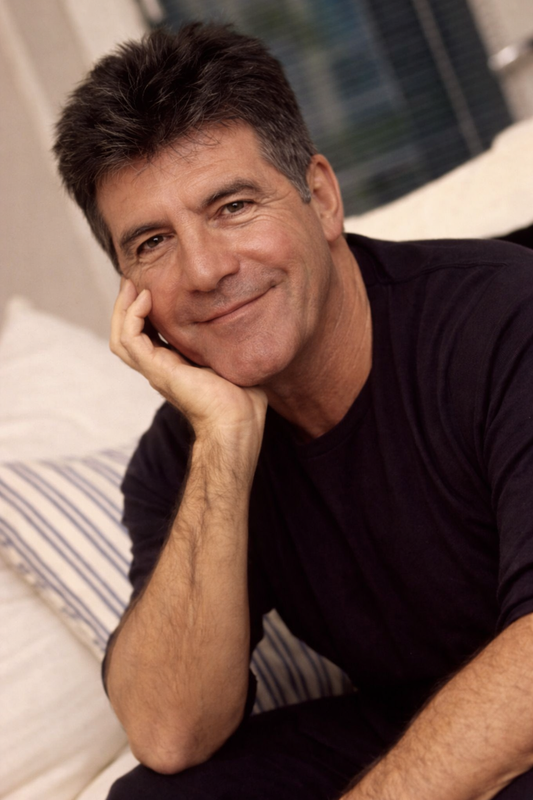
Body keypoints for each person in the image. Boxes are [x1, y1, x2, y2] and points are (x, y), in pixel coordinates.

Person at [53, 22, 533, 800]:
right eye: (151, 243)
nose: (205, 269)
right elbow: (170, 733)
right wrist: (224, 438)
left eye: (232, 205)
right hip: (409, 713)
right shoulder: (186, 448)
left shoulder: (505, 318)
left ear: (319, 196)